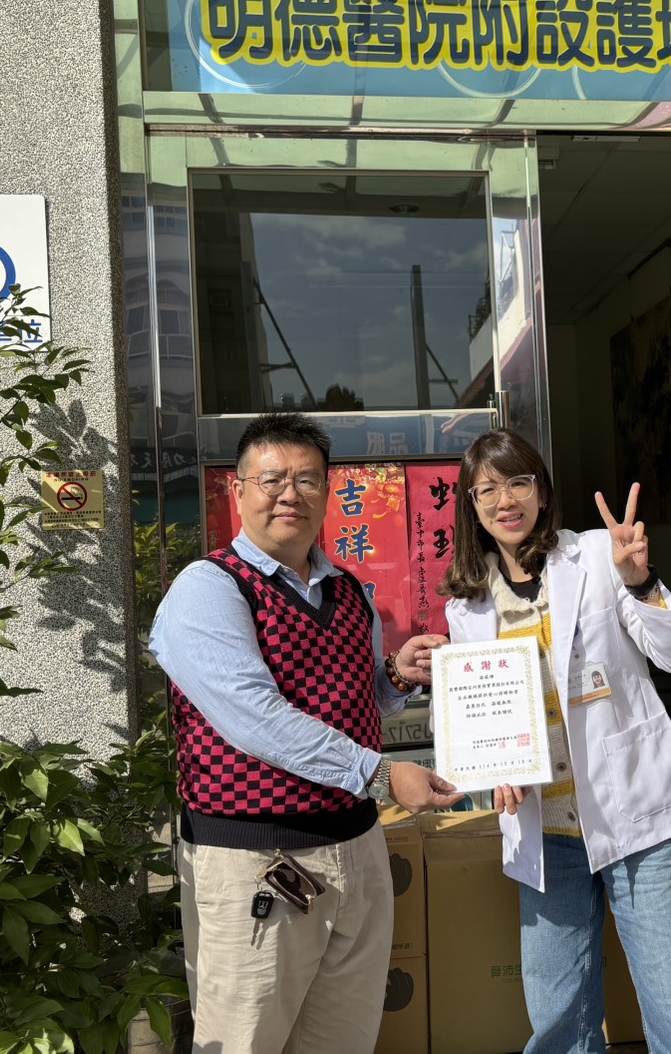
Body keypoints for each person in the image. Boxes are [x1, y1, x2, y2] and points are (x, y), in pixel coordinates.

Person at [150, 411, 462, 1053]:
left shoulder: (349, 592)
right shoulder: (207, 589)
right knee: (244, 1042)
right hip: (256, 860)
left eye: (307, 479)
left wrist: (394, 676)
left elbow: (351, 702)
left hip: (357, 848)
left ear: (327, 491)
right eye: (272, 479)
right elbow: (255, 717)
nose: (289, 494)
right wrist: (381, 773)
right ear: (237, 491)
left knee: (344, 1041)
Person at [440, 429, 671, 1054]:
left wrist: (641, 585)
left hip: (639, 817)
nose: (505, 500)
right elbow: (483, 717)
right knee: (558, 1019)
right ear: (471, 506)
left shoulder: (597, 556)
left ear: (541, 491)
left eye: (518, 482)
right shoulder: (467, 606)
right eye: (487, 490)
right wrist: (494, 770)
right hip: (547, 832)